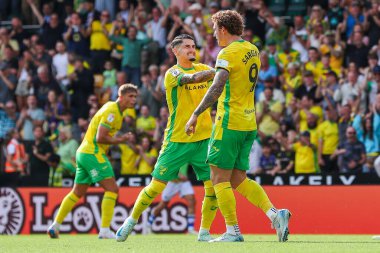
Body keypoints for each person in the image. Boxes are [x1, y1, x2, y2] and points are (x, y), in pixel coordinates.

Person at [185, 10, 291, 242]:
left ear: (223, 29)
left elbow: (218, 87)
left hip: (229, 122)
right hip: (249, 122)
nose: (214, 35)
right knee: (237, 178)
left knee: (218, 178)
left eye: (215, 30)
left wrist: (195, 113)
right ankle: (275, 215)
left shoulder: (227, 52)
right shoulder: (252, 49)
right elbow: (237, 75)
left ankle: (232, 231)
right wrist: (211, 73)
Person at [115, 34, 217, 243]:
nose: (191, 49)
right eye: (186, 47)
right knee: (156, 187)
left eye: (193, 46)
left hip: (203, 138)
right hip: (177, 140)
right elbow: (195, 79)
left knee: (211, 186)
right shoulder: (172, 73)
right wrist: (221, 70)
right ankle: (130, 222)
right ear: (175, 51)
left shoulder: (203, 67)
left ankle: (204, 232)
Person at [47, 84, 138, 239]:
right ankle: (104, 230)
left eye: (135, 97)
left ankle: (55, 226)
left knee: (77, 193)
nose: (134, 100)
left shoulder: (114, 110)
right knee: (112, 189)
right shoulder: (112, 112)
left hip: (84, 153)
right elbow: (100, 137)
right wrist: (120, 140)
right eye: (130, 96)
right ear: (121, 96)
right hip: (92, 153)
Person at [146, 164, 197, 234]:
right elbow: (169, 163)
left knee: (192, 201)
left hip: (184, 182)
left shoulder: (190, 153)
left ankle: (190, 229)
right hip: (172, 182)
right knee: (163, 204)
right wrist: (178, 174)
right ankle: (149, 224)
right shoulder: (173, 152)